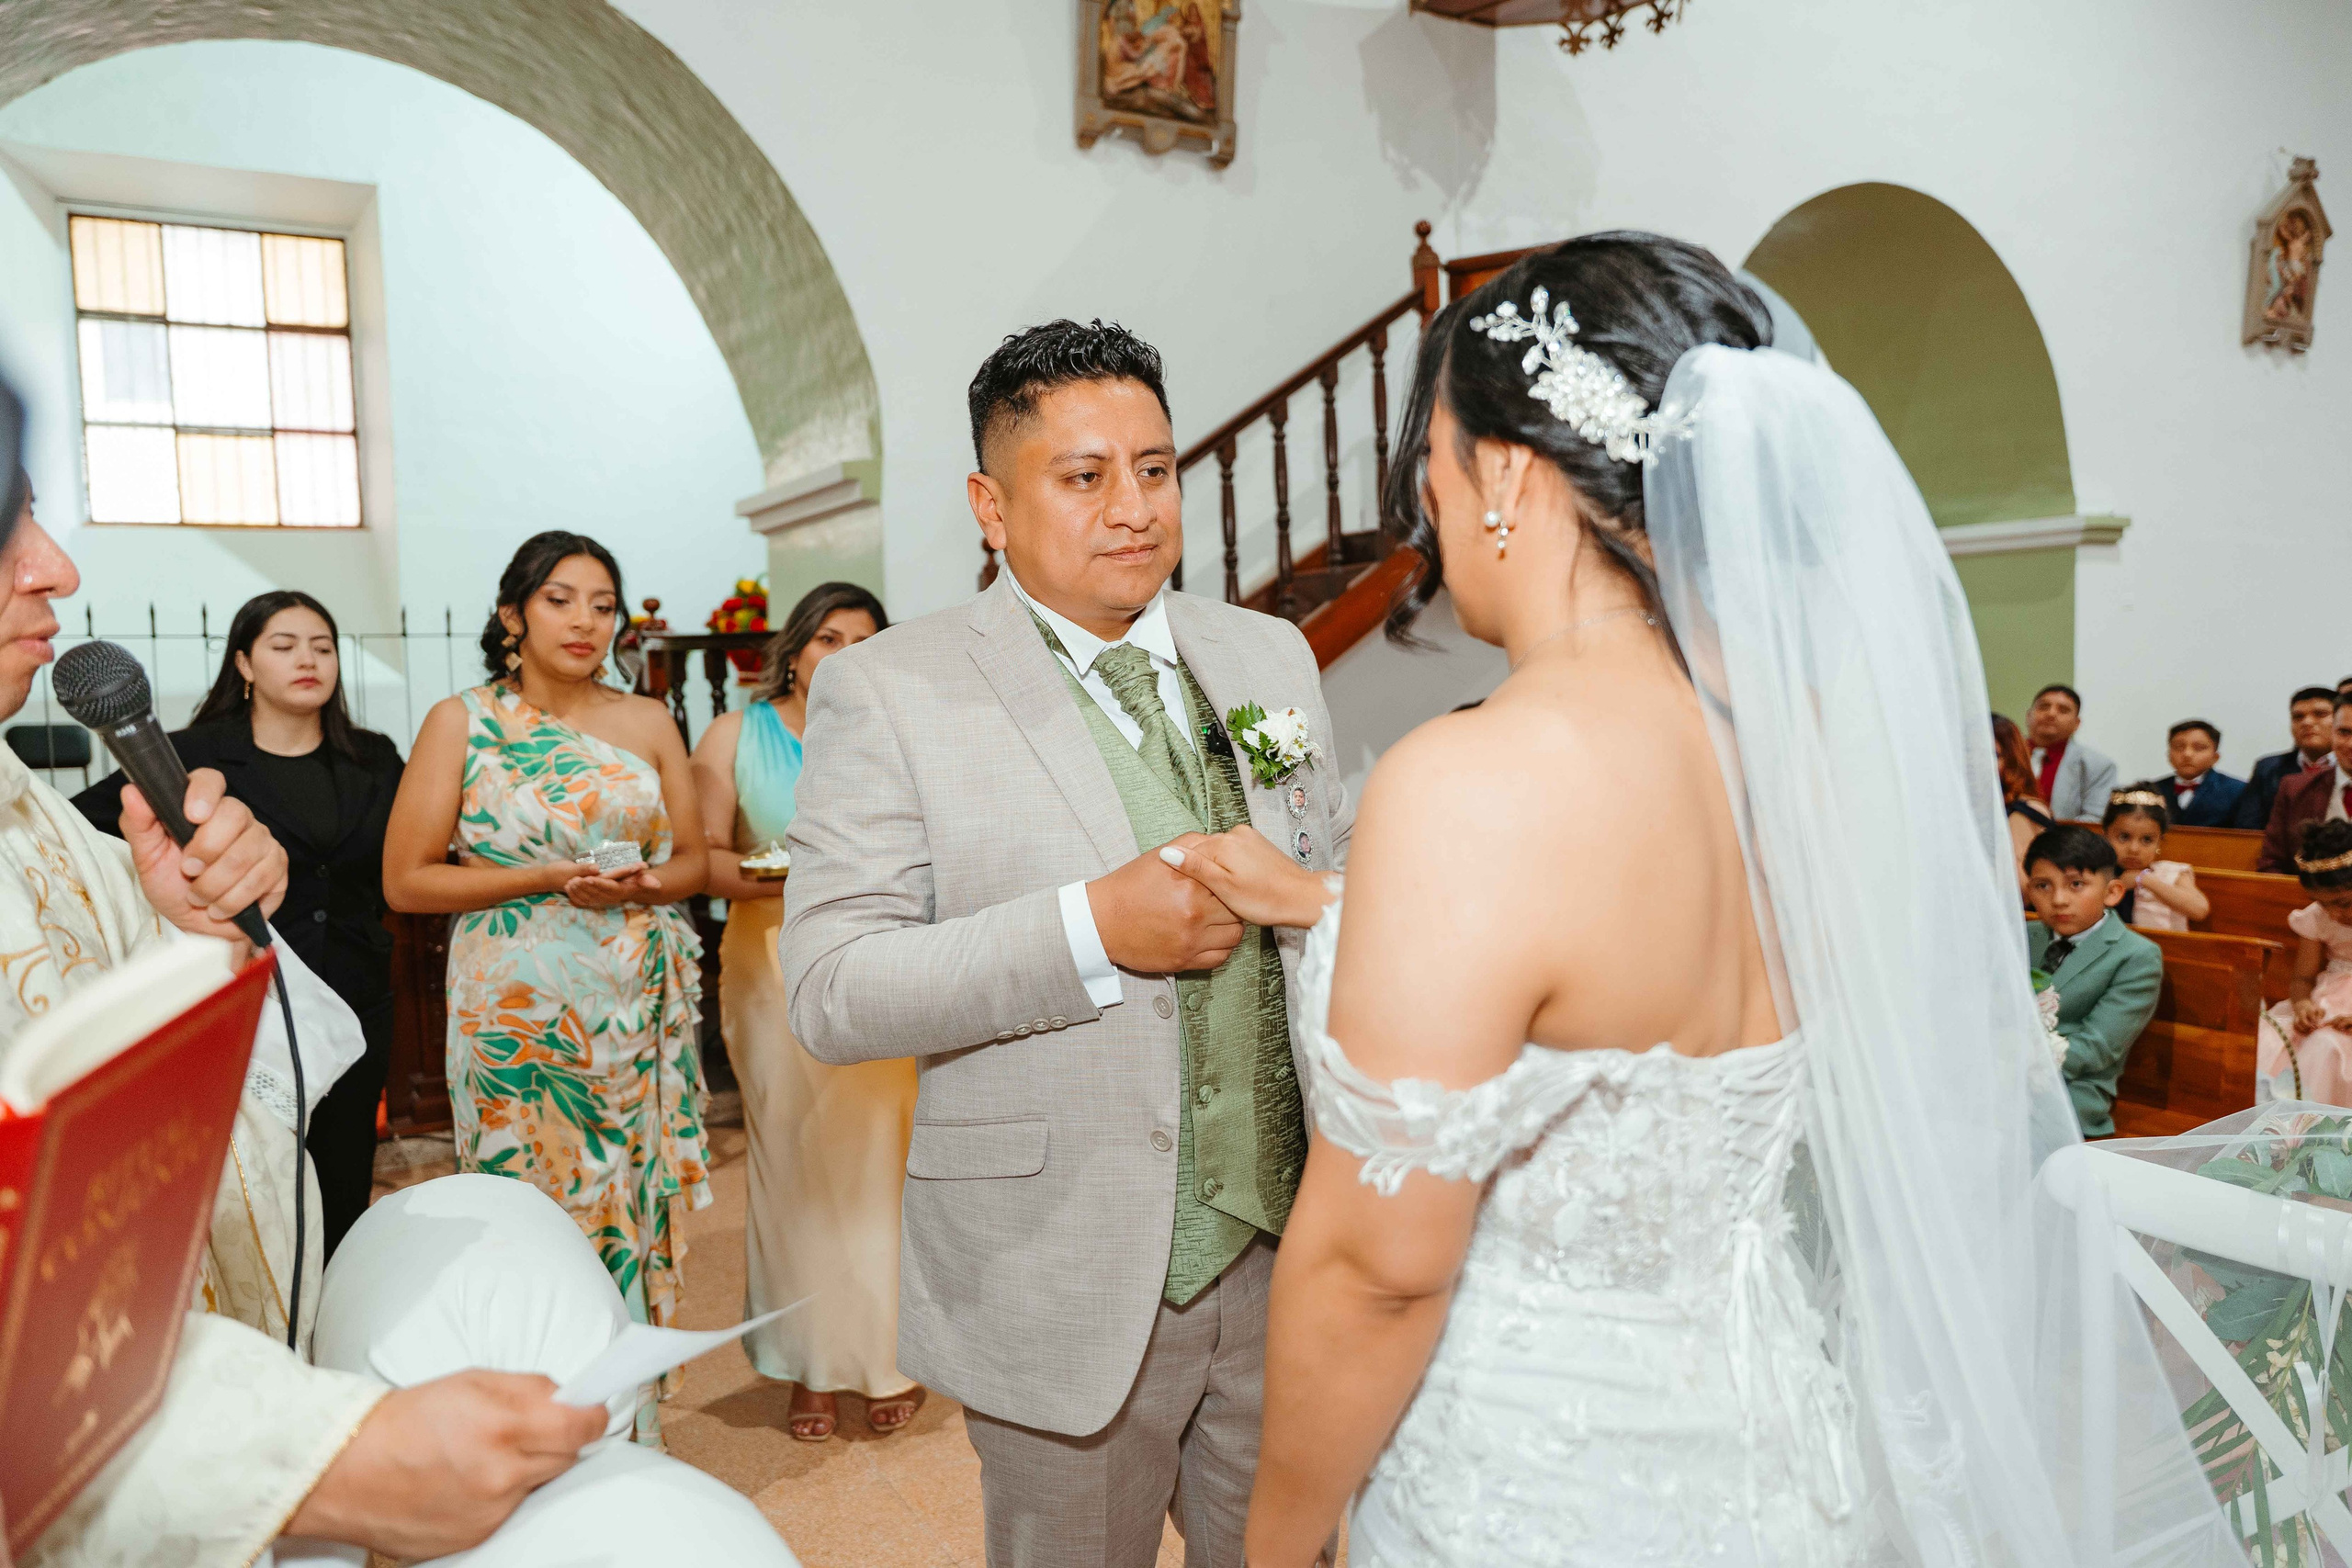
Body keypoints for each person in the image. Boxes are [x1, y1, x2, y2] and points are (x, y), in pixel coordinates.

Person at [1230, 237, 2234, 1565]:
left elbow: (1380, 1265)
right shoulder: (1800, 753)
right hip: (1776, 1453)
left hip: (1535, 1477)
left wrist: (1278, 1537)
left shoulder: (1473, 779)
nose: (1425, 504)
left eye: (1436, 460)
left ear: (1509, 475)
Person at [781, 319, 1350, 1568]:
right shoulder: (891, 687)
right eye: (1084, 476)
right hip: (1062, 1262)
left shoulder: (1270, 656)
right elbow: (829, 988)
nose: (1134, 507)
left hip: (1290, 1249)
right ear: (991, 504)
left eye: (1155, 468)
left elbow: (1327, 871)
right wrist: (1093, 927)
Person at [0, 471, 614, 1565]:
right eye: (6, 526)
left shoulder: (32, 802)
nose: (55, 565)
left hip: (360, 988)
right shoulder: (207, 756)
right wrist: (324, 1456)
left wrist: (193, 929)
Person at [383, 530, 712, 1438]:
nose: (585, 621)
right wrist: (540, 876)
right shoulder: (463, 720)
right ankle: (533, 1422)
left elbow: (688, 860)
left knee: (624, 1192)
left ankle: (626, 1421)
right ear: (512, 615)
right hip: (516, 1008)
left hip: (628, 1000)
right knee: (529, 1205)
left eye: (603, 604)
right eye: (561, 599)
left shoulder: (647, 720)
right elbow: (407, 879)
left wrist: (644, 883)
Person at [74, 590, 407, 1258]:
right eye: (283, 646)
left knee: (342, 1184)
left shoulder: (375, 757)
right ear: (245, 664)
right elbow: (80, 831)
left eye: (322, 646)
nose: (307, 659)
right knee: (250, 1193)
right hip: (242, 1003)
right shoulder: (192, 756)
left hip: (353, 996)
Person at [687, 580, 923, 1443]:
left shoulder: (901, 733)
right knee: (791, 1157)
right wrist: (776, 873)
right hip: (771, 959)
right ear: (793, 651)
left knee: (880, 1161)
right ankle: (808, 1362)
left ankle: (891, 1355)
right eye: (829, 638)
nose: (845, 656)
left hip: (877, 960)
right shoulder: (733, 735)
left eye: (864, 640)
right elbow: (702, 860)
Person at [2025, 824, 2165, 1139]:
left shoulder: (2136, 956)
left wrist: (2014, 1063)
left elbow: (2096, 1048)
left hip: (2072, 1089)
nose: (2058, 899)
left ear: (2112, 892)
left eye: (2076, 884)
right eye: (2043, 886)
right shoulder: (2020, 936)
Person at [2256, 820, 2352, 1105]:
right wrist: (2301, 1005)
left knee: (2329, 1048)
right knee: (2272, 1038)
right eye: (2324, 904)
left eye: (2344, 902)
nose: (2334, 914)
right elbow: (2303, 978)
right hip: (2330, 996)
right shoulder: (2318, 918)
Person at [2258, 693, 2352, 873]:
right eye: (2344, 732)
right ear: (2332, 731)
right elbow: (2272, 863)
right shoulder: (2295, 788)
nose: (2350, 744)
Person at [2103, 786, 2208, 931]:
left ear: (2159, 842)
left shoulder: (2169, 873)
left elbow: (2200, 910)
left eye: (2147, 840)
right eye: (2124, 837)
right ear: (2106, 835)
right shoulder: (2098, 872)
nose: (2134, 849)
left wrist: (2144, 879)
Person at [2246, 684, 2338, 827]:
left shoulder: (2347, 767)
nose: (2307, 722)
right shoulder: (2268, 769)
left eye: (2320, 714)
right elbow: (2247, 828)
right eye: (2298, 717)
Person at [2025, 682, 2116, 820]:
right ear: (2028, 715)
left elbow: (2095, 819)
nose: (2051, 714)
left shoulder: (2098, 765)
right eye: (2044, 707)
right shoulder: (2002, 755)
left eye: (2063, 710)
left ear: (2076, 724)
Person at [2155, 717, 2256, 828]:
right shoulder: (2153, 790)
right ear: (2168, 755)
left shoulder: (2239, 791)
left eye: (2199, 748)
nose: (2187, 754)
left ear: (2215, 757)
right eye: (2179, 747)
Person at [1993, 711, 2052, 893]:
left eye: (1993, 755)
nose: (1977, 762)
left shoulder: (2024, 810)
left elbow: (2021, 890)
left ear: (2011, 761)